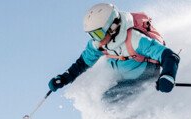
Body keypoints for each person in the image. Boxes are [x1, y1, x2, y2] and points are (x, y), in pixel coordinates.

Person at [48, 3, 181, 104]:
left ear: (112, 27)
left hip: (145, 75)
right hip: (125, 77)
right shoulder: (98, 43)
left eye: (98, 34)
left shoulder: (135, 39)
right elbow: (82, 63)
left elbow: (170, 56)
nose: (96, 39)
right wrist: (64, 78)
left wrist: (168, 75)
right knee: (107, 100)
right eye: (92, 35)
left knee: (110, 101)